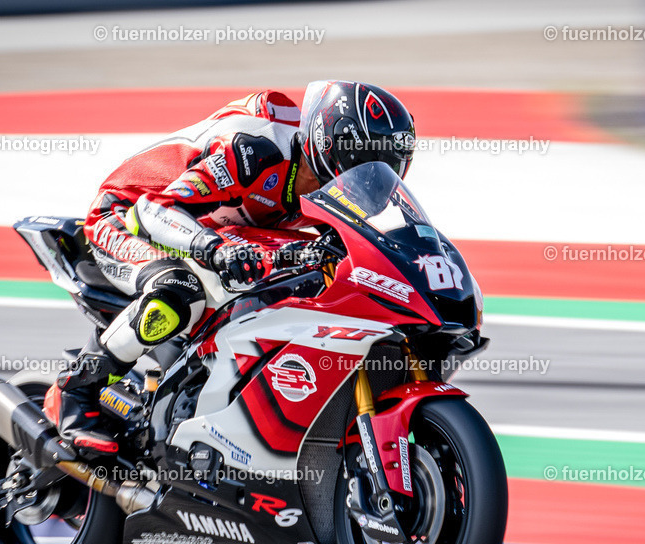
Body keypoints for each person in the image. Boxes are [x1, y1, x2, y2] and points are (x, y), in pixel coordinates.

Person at [46, 80, 417, 453]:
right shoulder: (253, 151)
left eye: (388, 166)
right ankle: (77, 391)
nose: (371, 177)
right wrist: (212, 248)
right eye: (368, 163)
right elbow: (152, 212)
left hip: (212, 227)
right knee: (180, 288)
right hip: (127, 215)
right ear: (332, 145)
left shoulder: (329, 186)